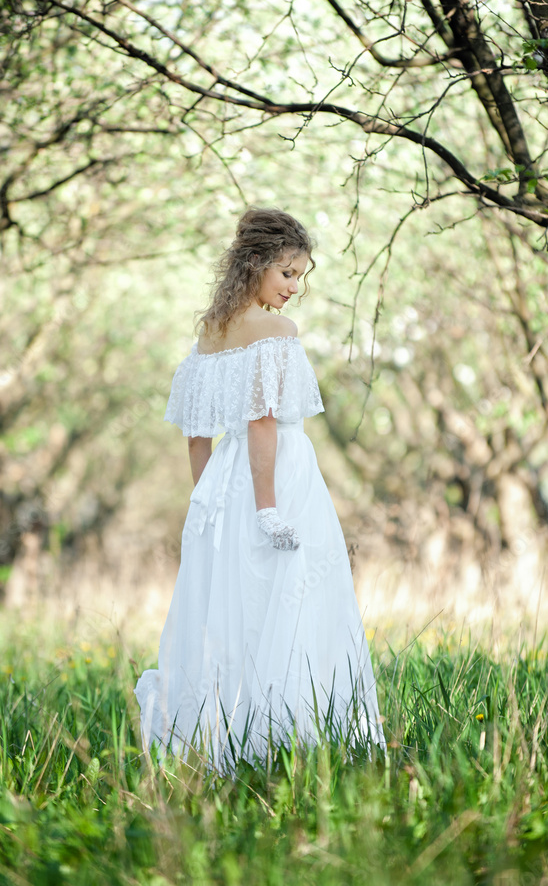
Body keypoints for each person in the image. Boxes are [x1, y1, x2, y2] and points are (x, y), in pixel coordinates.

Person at [134, 207, 385, 768]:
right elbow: (263, 423)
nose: (296, 288)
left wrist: (210, 498)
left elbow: (198, 434)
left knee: (233, 608)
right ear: (256, 266)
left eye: (300, 275)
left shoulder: (211, 331)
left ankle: (228, 736)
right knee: (292, 600)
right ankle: (288, 736)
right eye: (288, 273)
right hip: (278, 477)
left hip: (224, 483)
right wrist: (268, 508)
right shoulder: (275, 331)